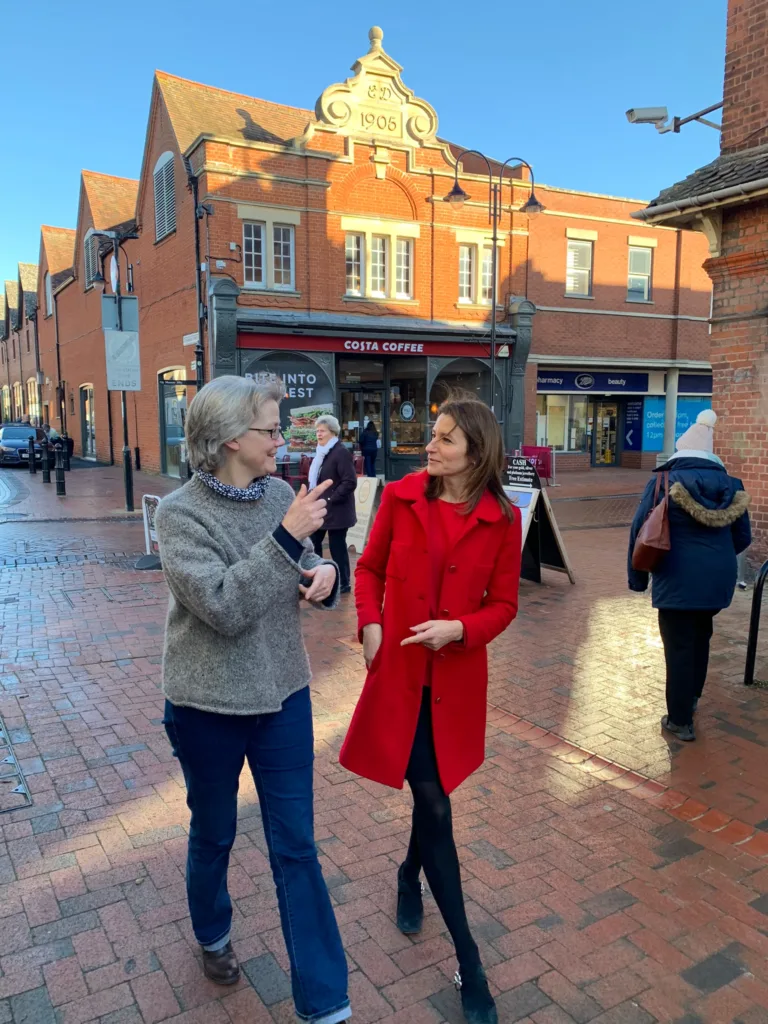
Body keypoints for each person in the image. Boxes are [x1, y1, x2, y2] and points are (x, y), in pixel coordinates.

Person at [155, 376, 350, 1024]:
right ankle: (212, 933)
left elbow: (300, 562)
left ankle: (325, 1004)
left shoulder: (276, 495)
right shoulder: (178, 515)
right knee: (214, 833)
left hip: (283, 694)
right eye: (271, 429)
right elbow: (223, 605)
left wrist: (321, 572)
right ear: (233, 438)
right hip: (207, 706)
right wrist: (288, 541)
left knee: (296, 845)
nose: (282, 440)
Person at [340, 395, 522, 1024]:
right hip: (400, 678)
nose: (432, 446)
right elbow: (366, 568)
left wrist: (461, 630)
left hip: (455, 687)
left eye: (446, 439)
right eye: (434, 436)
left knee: (431, 797)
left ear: (476, 451)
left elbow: (504, 605)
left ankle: (407, 871)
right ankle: (470, 960)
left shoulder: (503, 519)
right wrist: (369, 624)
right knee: (435, 802)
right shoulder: (400, 496)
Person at [628, 409, 751, 742]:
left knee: (679, 646)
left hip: (677, 578)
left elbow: (640, 531)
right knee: (701, 637)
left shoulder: (664, 481)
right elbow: (743, 538)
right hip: (717, 580)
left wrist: (638, 580)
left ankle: (680, 720)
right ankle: (692, 697)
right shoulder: (732, 485)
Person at [310, 415, 357, 594]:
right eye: (317, 431)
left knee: (337, 547)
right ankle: (319, 575)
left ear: (332, 432)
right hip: (323, 509)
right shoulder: (323, 452)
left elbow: (350, 481)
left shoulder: (340, 452)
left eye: (322, 431)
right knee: (314, 542)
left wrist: (331, 499)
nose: (318, 434)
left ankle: (343, 583)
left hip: (337, 511)